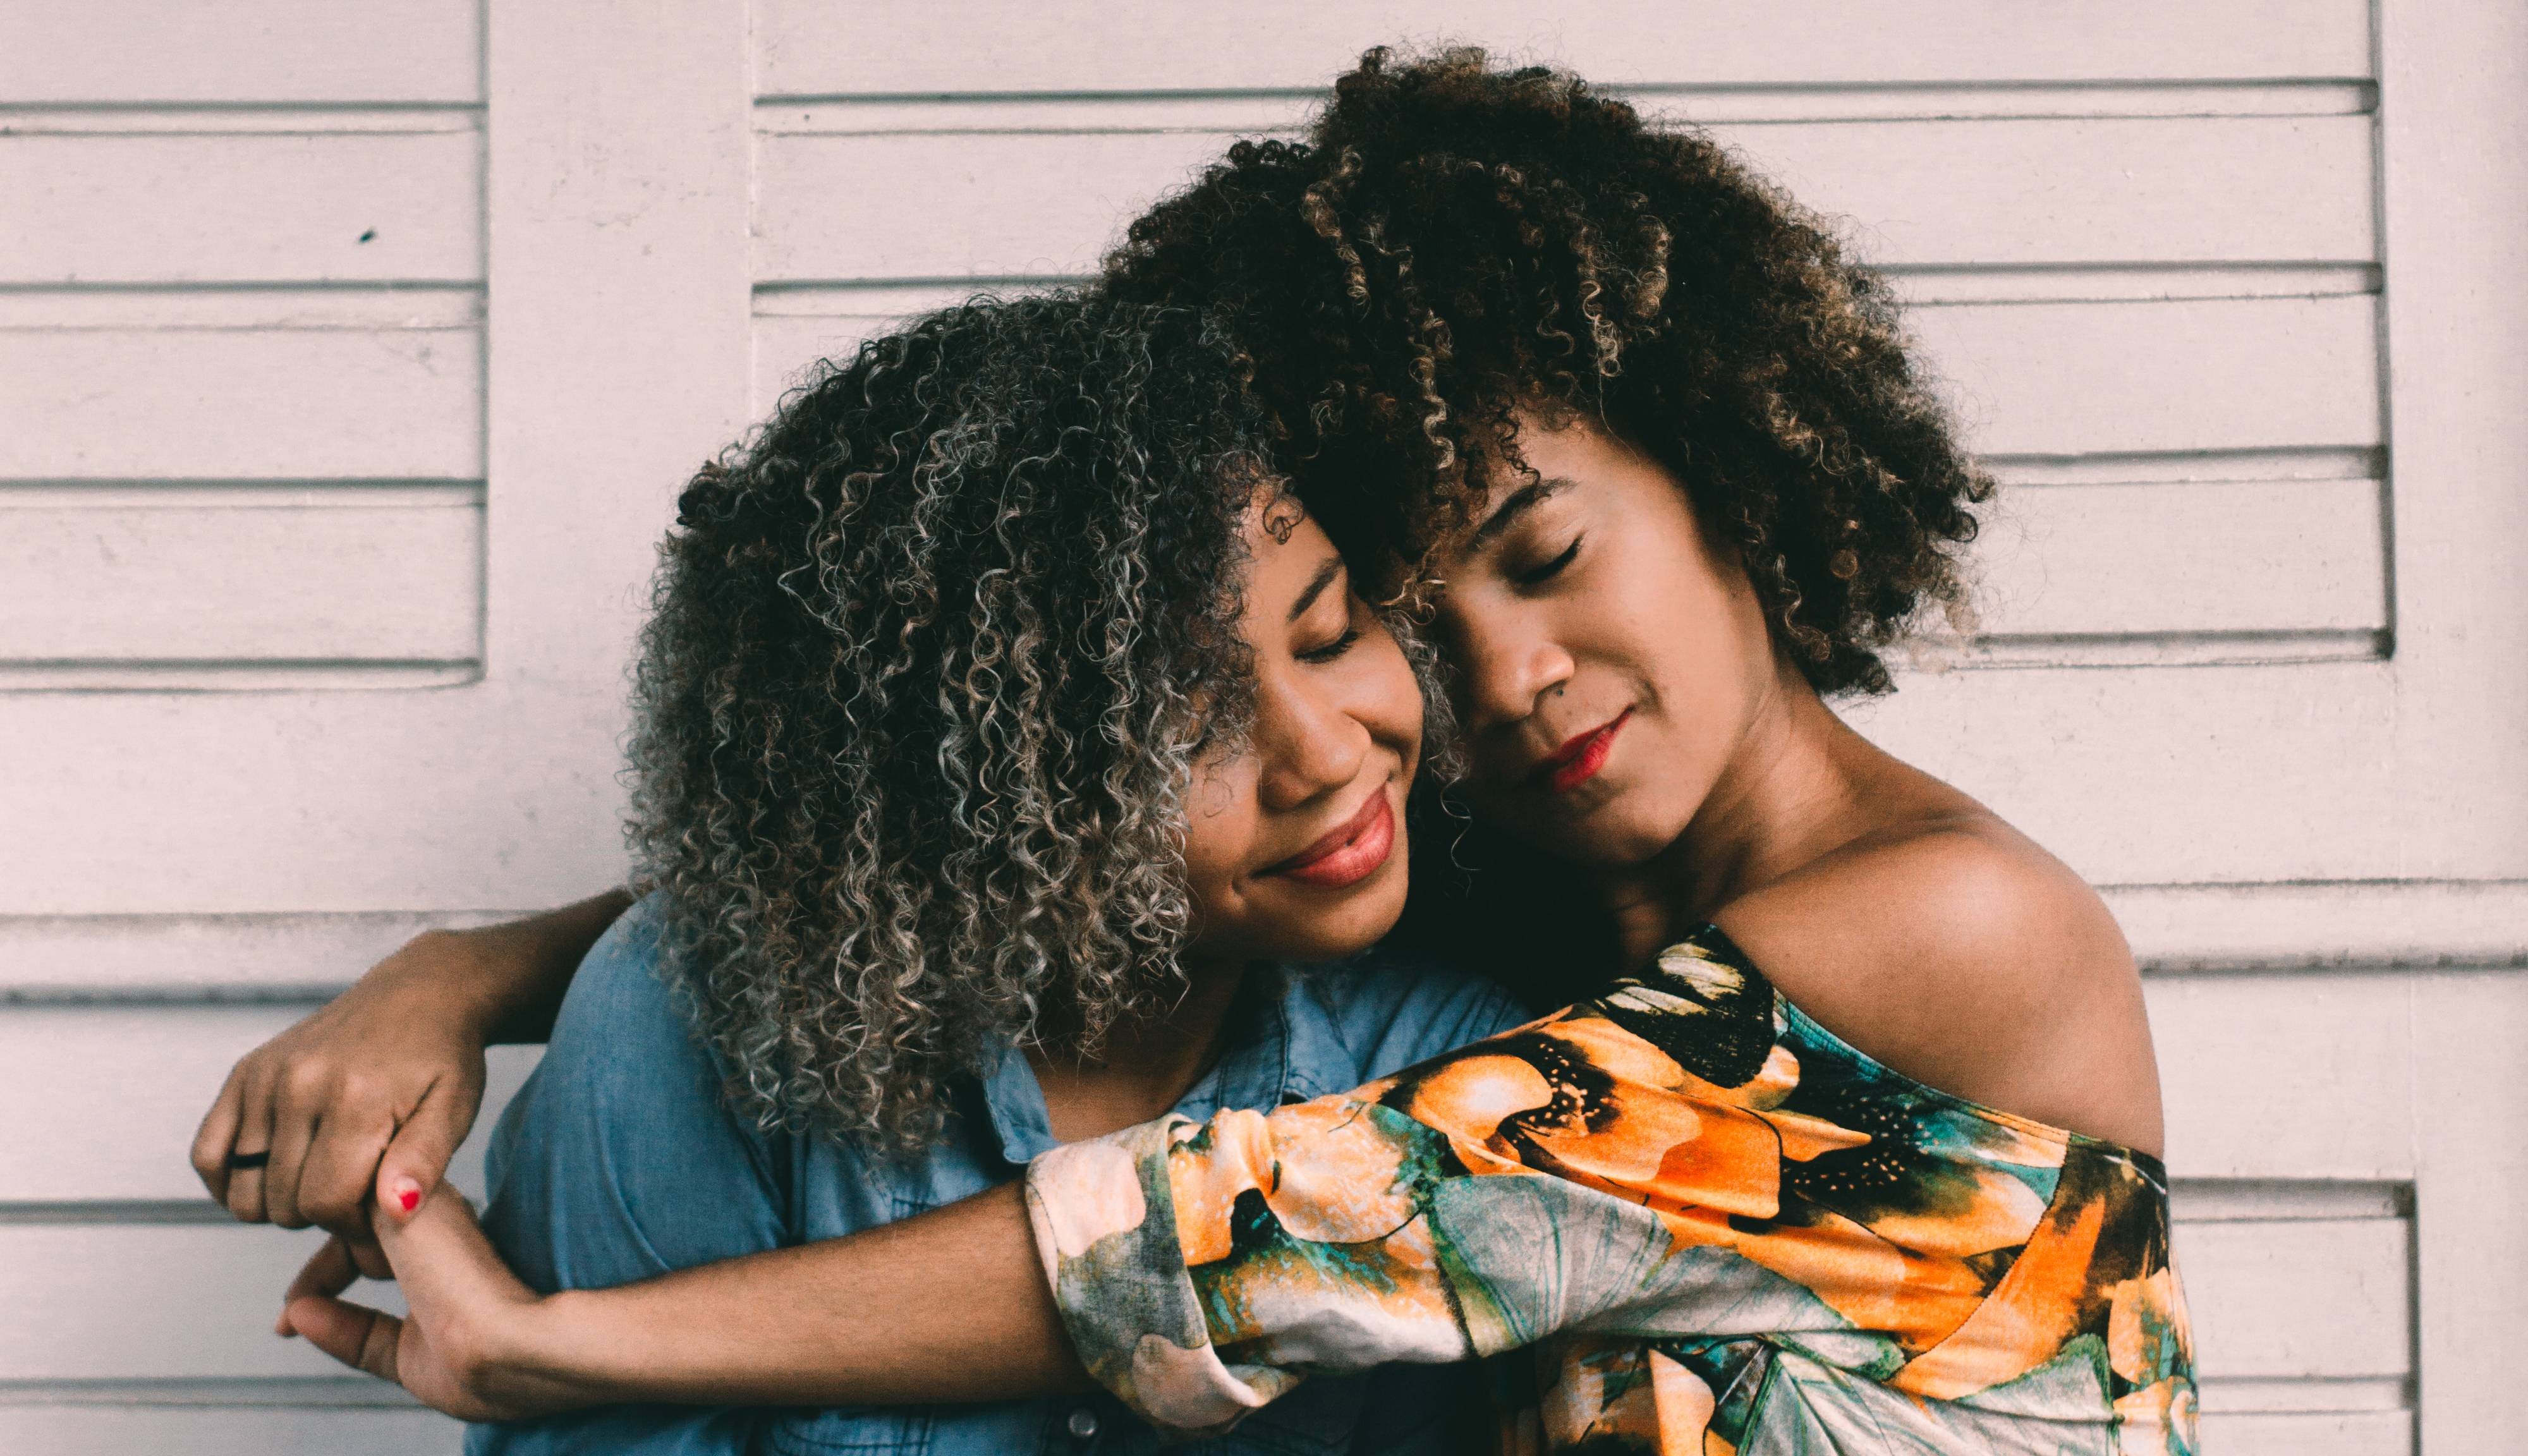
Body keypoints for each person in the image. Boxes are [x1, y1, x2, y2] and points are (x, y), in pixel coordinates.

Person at [201, 49, 2194, 1454]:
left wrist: (563, 1349)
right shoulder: (1553, 902)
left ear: (1729, 460)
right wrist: (464, 969)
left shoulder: (1954, 931)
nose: (1505, 682)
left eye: (1551, 553)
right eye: (1406, 619)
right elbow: (983, 839)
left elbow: (1283, 1234)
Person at [209, 293, 1541, 1453]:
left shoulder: (1466, 1058)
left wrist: (547, 1331)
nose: (1323, 753)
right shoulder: (694, 1037)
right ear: (974, 794)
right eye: (1178, 729)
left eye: (1327, 633)